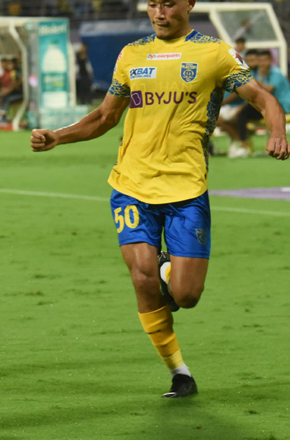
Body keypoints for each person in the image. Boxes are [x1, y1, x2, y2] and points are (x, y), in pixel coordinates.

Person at [30, 0, 289, 399]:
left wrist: (277, 132)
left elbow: (264, 99)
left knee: (186, 296)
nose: (159, 12)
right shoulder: (131, 55)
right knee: (142, 279)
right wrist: (57, 136)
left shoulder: (216, 54)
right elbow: (104, 117)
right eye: (152, 4)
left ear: (189, 4)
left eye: (168, 3)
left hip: (186, 190)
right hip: (131, 185)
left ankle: (168, 269)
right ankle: (179, 372)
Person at [234, 49, 290, 157]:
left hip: (284, 106)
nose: (262, 63)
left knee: (243, 113)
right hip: (274, 106)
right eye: (260, 60)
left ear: (271, 60)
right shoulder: (257, 73)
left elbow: (264, 93)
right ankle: (243, 143)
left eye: (265, 60)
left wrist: (260, 76)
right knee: (242, 113)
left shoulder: (276, 73)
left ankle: (243, 145)